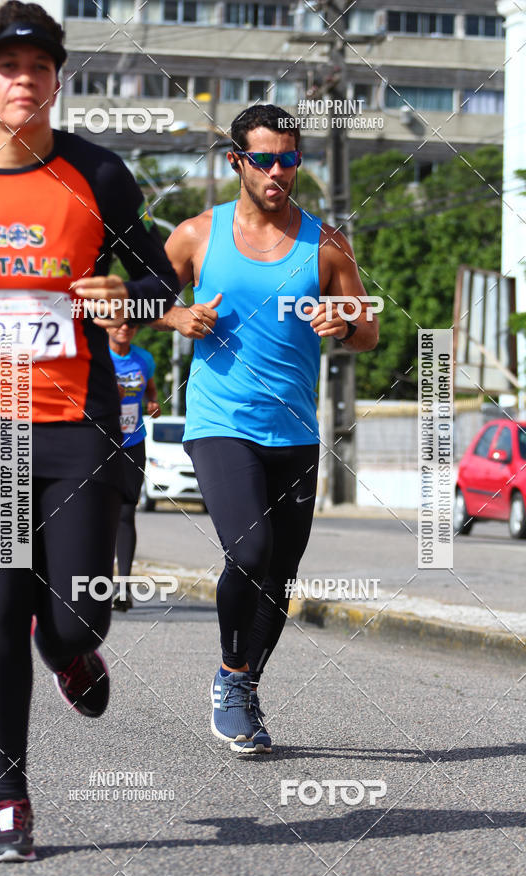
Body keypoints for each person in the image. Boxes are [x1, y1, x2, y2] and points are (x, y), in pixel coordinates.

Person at [0, 1, 178, 861]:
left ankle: (69, 653)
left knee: (74, 616)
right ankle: (9, 801)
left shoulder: (99, 175)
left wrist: (126, 299)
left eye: (39, 67)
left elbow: (155, 287)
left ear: (57, 80)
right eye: (7, 68)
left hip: (76, 420)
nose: (24, 80)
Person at [158, 104, 378, 753]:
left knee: (279, 574)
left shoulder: (326, 243)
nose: (277, 171)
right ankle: (230, 678)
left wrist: (343, 328)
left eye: (288, 158)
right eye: (263, 159)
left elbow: (367, 327)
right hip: (220, 422)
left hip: (296, 433)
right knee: (248, 553)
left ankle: (246, 686)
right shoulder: (198, 234)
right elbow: (144, 299)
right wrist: (176, 318)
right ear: (236, 162)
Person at [108, 321, 160, 611]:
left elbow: (151, 391)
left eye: (130, 322)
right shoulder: (97, 355)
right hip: (99, 442)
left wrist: (153, 403)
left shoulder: (144, 359)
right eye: (117, 322)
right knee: (97, 513)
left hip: (132, 441)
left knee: (126, 513)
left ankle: (123, 589)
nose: (124, 327)